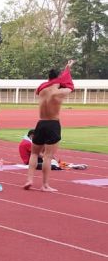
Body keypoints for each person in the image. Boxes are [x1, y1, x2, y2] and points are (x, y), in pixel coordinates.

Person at [25, 59, 75, 192]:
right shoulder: (59, 92)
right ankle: (45, 185)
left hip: (40, 123)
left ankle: (29, 180)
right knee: (47, 156)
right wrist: (68, 69)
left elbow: (48, 85)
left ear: (48, 77)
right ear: (58, 79)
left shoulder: (41, 90)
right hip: (53, 124)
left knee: (34, 154)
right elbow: (69, 85)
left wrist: (64, 72)